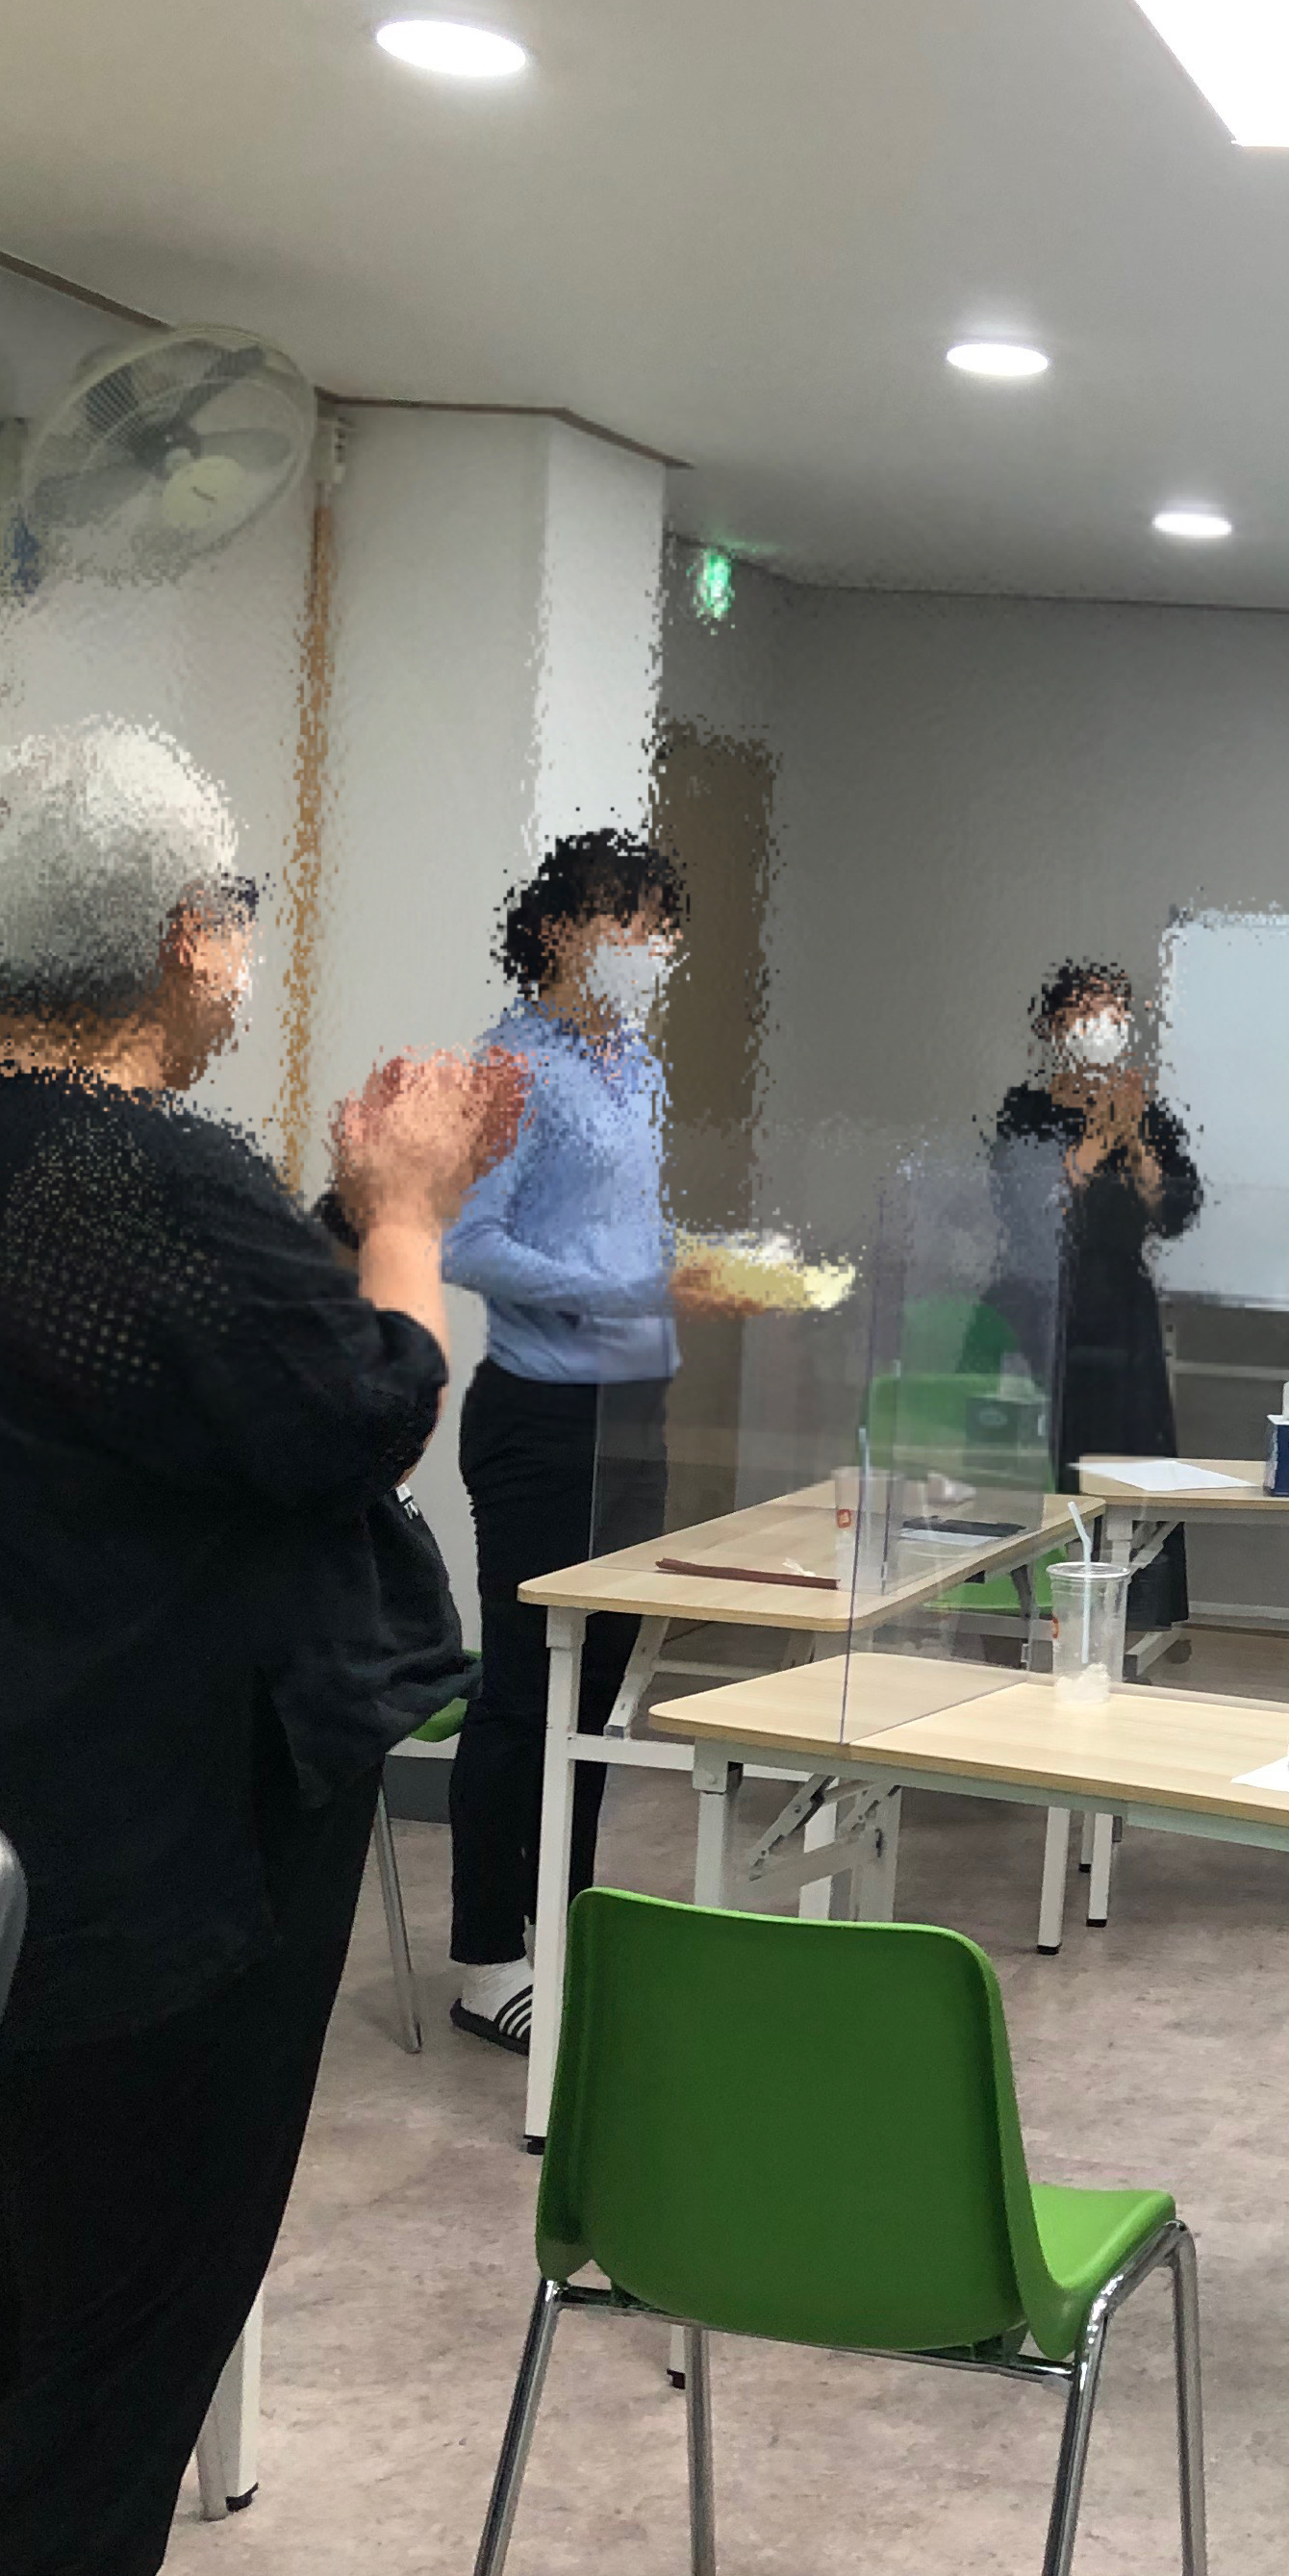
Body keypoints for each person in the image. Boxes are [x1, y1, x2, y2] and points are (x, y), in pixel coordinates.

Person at [0, 719, 520, 2576]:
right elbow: (366, 1407)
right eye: (235, 917)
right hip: (151, 1880)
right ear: (188, 936)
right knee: (127, 2336)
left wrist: (351, 1216)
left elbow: (182, 1377)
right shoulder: (128, 1166)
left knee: (39, 2283)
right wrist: (409, 1216)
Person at [440, 828, 747, 2052]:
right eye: (631, 920)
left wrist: (689, 1270)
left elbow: (621, 1230)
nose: (652, 946)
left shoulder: (638, 1067)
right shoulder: (510, 1066)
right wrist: (614, 1289)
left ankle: (559, 1933)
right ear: (562, 930)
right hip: (543, 1417)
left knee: (601, 1697)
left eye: (662, 925)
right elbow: (467, 1243)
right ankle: (484, 1957)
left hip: (633, 1414)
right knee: (525, 1692)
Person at [995, 959, 1201, 1635]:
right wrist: (1097, 1139)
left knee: (1134, 1467)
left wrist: (1134, 1137)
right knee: (1049, 1465)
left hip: (1122, 1317)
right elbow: (1031, 1209)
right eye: (1083, 1013)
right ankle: (1042, 1613)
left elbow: (1174, 1212)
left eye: (1112, 1013)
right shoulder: (1026, 1112)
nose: (1099, 1027)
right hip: (1045, 1315)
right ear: (1052, 1027)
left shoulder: (1150, 1115)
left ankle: (1131, 1620)